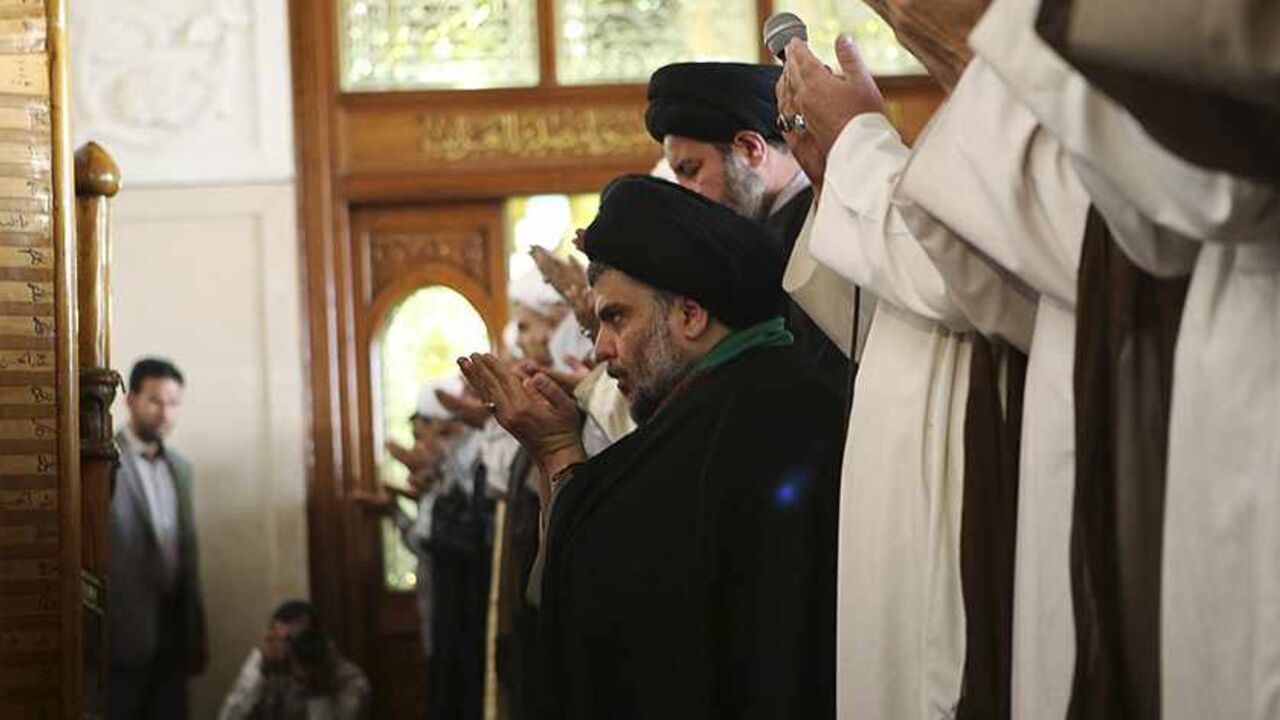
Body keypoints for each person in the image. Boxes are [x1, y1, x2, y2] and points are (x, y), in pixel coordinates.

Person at [459, 175, 843, 719]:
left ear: (689, 314)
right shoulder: (732, 401)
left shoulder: (753, 418)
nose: (605, 349)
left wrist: (557, 453)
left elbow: (614, 609)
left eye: (616, 317)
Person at [775, 20, 1038, 719]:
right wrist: (838, 170)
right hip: (897, 504)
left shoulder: (1041, 103)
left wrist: (858, 142)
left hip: (971, 500)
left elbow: (963, 275)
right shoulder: (973, 111)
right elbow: (883, 316)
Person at [646, 61, 852, 400]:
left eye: (690, 169)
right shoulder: (772, 230)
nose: (686, 191)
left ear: (750, 149)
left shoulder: (818, 225)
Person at [109, 357, 207, 720]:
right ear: (131, 399)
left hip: (174, 630)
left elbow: (188, 556)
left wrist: (196, 633)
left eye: (173, 403)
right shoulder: (99, 461)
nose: (165, 413)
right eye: (155, 401)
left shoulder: (181, 468)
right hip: (121, 632)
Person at [219, 602, 369, 720]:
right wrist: (257, 668)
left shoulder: (349, 679)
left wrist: (317, 686)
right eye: (280, 640)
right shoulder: (270, 666)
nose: (287, 648)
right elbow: (229, 717)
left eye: (293, 640)